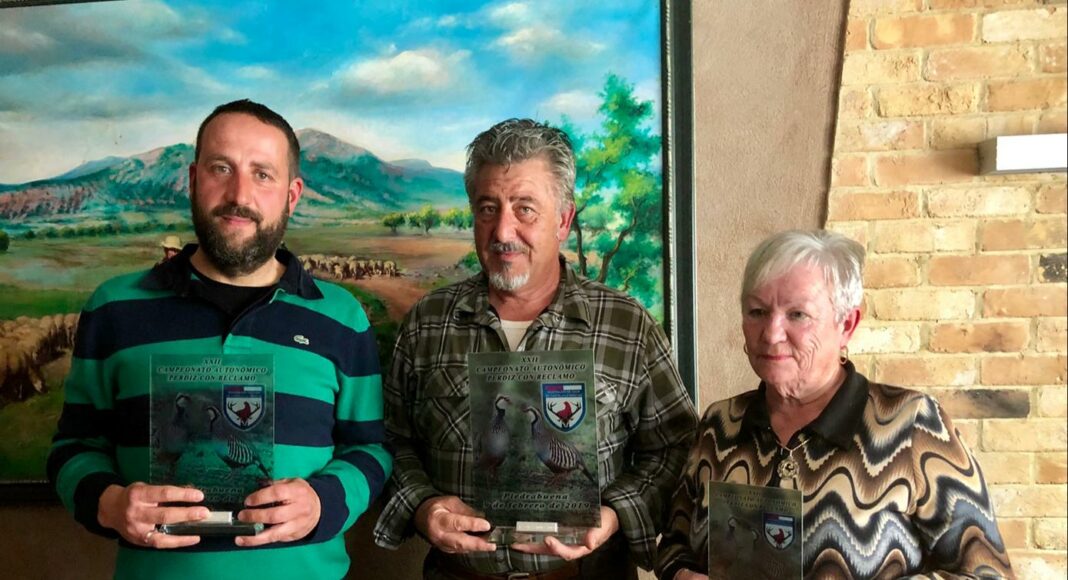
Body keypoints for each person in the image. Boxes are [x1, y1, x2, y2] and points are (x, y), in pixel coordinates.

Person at [48, 99, 391, 580]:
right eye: (221, 168)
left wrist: (323, 501)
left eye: (262, 174)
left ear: (291, 195)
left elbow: (370, 450)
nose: (239, 194)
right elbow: (72, 447)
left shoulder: (342, 317)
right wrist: (110, 504)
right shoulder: (113, 308)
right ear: (193, 180)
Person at [372, 118, 697, 579]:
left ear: (563, 220)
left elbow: (678, 448)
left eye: (525, 209)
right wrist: (423, 506)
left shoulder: (626, 324)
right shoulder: (428, 323)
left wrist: (615, 514)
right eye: (488, 208)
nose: (503, 231)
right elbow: (389, 440)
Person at [655, 230, 1014, 580]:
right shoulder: (721, 424)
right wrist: (684, 574)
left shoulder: (910, 425)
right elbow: (674, 546)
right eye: (757, 311)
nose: (771, 333)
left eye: (797, 314)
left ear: (847, 325)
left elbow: (988, 571)